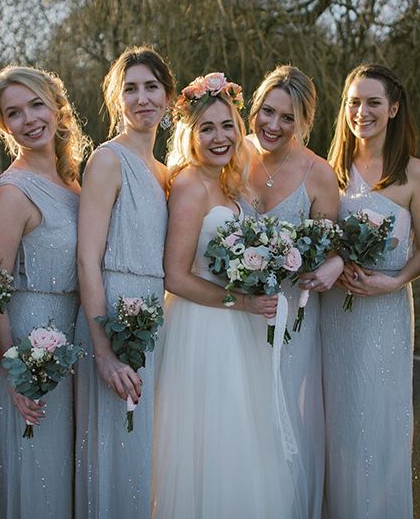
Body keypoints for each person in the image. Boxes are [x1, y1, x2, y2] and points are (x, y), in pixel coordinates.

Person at [151, 72, 297, 517]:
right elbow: (175, 276)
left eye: (227, 125)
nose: (220, 137)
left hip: (239, 327)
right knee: (211, 442)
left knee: (245, 439)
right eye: (207, 128)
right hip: (202, 328)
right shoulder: (191, 186)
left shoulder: (233, 185)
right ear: (190, 135)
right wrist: (245, 302)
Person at [322, 63, 420, 519]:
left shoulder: (414, 173)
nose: (361, 111)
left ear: (393, 109)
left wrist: (395, 280)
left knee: (377, 419)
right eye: (353, 102)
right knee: (336, 420)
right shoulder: (330, 170)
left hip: (386, 311)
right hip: (334, 312)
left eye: (372, 102)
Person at [0, 65, 90, 518]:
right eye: (14, 113)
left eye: (36, 105)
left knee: (62, 469)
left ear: (57, 106)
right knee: (36, 470)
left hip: (71, 335)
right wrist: (14, 374)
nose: (29, 119)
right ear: (4, 126)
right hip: (28, 345)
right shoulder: (12, 193)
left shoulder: (73, 181)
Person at [74, 46, 175, 518]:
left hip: (151, 315)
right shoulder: (108, 160)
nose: (142, 99)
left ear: (169, 97)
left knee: (139, 449)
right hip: (111, 313)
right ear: (117, 100)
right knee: (113, 446)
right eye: (130, 89)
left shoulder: (163, 172)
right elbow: (87, 260)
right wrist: (105, 352)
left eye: (151, 87)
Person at [240, 65, 342, 519]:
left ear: (304, 120)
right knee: (238, 406)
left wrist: (330, 265)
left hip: (293, 317)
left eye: (287, 117)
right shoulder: (234, 155)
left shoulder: (319, 174)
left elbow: (331, 244)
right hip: (238, 311)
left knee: (282, 414)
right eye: (267, 112)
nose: (273, 125)